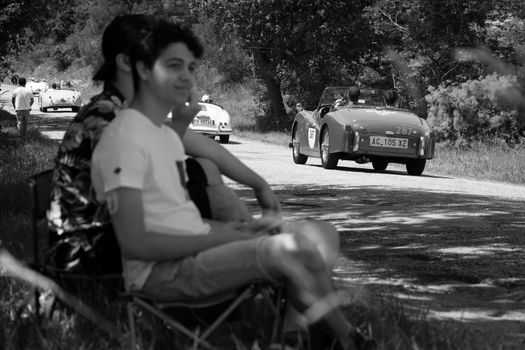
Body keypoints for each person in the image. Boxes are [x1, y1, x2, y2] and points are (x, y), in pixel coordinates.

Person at [91, 17, 374, 350]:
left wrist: (235, 230)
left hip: (194, 253)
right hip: (160, 275)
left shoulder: (163, 137)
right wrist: (227, 235)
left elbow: (177, 216)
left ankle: (306, 337)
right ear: (141, 69)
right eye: (173, 65)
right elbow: (137, 244)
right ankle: (346, 339)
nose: (187, 77)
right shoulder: (123, 138)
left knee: (312, 237)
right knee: (293, 249)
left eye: (191, 67)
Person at [47, 14, 280, 274]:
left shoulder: (123, 109)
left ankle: (266, 265)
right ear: (127, 62)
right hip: (90, 251)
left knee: (203, 169)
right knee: (201, 174)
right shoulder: (106, 116)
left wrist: (259, 184)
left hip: (114, 235)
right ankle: (266, 266)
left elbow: (201, 146)